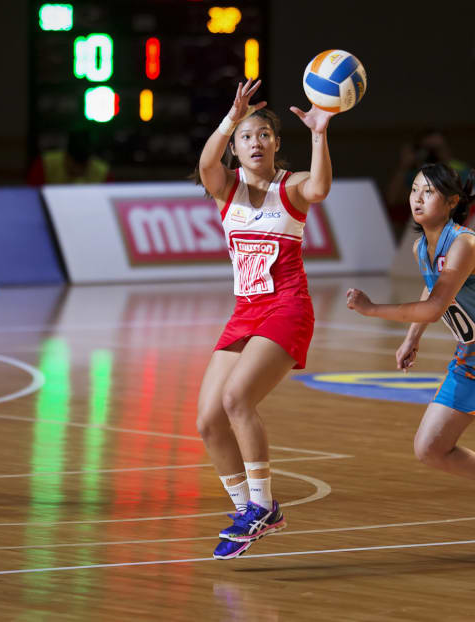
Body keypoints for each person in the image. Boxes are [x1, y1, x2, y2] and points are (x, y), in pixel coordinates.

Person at [346, 162, 475, 557]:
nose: (417, 199)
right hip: (472, 359)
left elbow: (438, 305)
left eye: (428, 192)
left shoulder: (464, 244)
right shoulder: (421, 245)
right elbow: (431, 288)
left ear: (453, 201)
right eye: (414, 191)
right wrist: (412, 337)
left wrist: (373, 310)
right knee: (430, 447)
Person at [194, 79, 335, 560]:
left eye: (265, 136)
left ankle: (260, 504)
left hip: (287, 307)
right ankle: (252, 512)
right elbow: (205, 165)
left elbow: (319, 187)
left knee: (237, 399)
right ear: (235, 146)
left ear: (276, 144)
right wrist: (230, 118)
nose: (256, 143)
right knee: (208, 421)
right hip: (244, 312)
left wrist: (319, 133)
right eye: (247, 137)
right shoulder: (225, 189)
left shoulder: (290, 186)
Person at [385, 129, 473, 236]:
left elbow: (471, 201)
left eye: (437, 149)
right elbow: (393, 199)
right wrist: (404, 165)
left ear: (447, 149)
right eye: (428, 150)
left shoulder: (461, 170)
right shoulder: (417, 173)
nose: (433, 154)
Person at [26, 128, 112, 185]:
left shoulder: (102, 172)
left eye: (83, 165)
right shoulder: (45, 164)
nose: (78, 169)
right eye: (75, 163)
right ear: (66, 155)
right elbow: (32, 196)